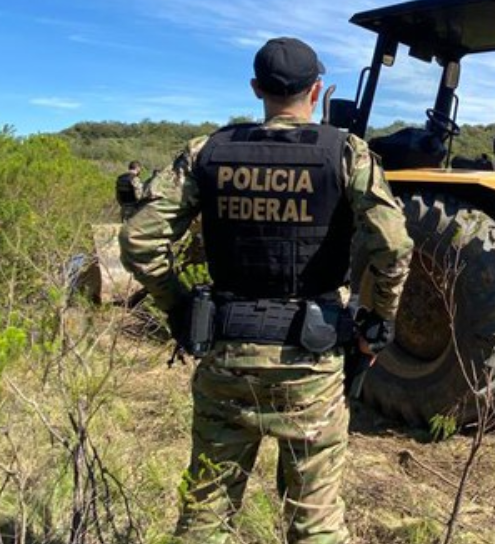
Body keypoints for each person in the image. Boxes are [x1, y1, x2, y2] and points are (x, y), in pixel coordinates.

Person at [119, 36, 413, 544]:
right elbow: (393, 245)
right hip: (310, 363)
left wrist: (179, 306)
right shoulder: (346, 153)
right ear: (317, 91)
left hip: (225, 358)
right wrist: (379, 322)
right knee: (314, 522)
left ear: (256, 88)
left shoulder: (207, 152)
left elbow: (138, 239)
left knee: (205, 515)